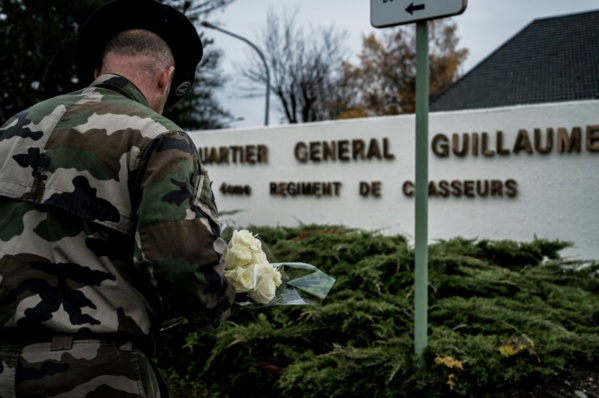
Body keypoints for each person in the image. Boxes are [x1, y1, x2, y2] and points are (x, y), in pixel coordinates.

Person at [0, 0, 234, 396]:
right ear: (166, 78)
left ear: (98, 71)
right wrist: (224, 298)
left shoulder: (9, 131)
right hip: (98, 374)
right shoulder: (159, 136)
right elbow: (184, 269)